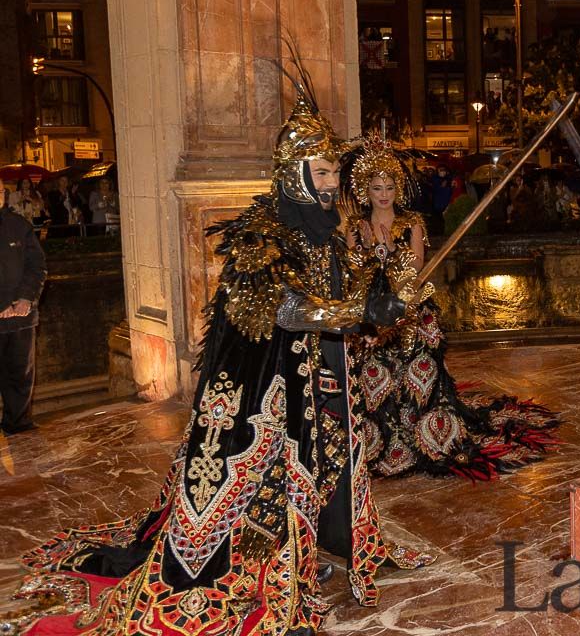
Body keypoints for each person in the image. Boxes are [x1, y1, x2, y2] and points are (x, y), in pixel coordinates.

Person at [6, 79, 431, 635]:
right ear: (295, 175)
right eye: (321, 173)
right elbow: (287, 308)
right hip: (264, 393)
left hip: (323, 375)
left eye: (333, 173)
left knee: (327, 466)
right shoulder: (262, 232)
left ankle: (315, 549)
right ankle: (269, 563)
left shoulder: (331, 234)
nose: (331, 185)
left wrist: (389, 299)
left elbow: (350, 291)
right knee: (268, 476)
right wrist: (352, 312)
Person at [342, 131, 559, 480]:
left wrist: (388, 250)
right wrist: (365, 250)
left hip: (409, 304)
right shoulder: (355, 226)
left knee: (418, 367)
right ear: (365, 191)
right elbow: (350, 268)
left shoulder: (411, 222)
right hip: (371, 308)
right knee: (373, 369)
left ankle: (422, 431)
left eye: (389, 188)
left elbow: (417, 264)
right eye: (376, 189)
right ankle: (376, 435)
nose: (383, 196)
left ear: (398, 189)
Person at [0, 190, 46, 435]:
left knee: (20, 376)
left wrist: (26, 298)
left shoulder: (19, 226)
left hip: (20, 319)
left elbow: (37, 265)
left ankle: (18, 426)